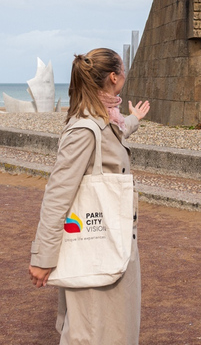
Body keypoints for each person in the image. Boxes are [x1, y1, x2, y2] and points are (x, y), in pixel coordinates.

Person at [29, 48, 150, 345]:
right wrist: (43, 257)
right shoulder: (85, 128)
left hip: (112, 249)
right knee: (92, 334)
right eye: (122, 71)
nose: (124, 76)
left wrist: (133, 119)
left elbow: (116, 134)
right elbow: (58, 193)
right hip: (96, 250)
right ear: (113, 77)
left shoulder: (105, 118)